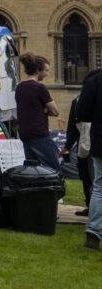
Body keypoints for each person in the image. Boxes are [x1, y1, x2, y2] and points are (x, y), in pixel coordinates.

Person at [14, 53, 60, 170]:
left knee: (32, 170)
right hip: (39, 134)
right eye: (46, 70)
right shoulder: (40, 87)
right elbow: (55, 111)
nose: (47, 74)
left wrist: (41, 109)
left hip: (24, 134)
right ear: (38, 71)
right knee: (53, 169)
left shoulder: (19, 87)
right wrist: (44, 110)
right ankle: (57, 188)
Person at [75, 66, 102, 250]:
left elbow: (82, 112)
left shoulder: (94, 80)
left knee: (99, 186)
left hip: (100, 138)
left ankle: (93, 234)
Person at [66, 88, 94, 218]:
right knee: (86, 176)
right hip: (83, 145)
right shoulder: (77, 102)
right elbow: (72, 126)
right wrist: (67, 145)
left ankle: (93, 208)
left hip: (90, 145)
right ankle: (90, 206)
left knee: (91, 178)